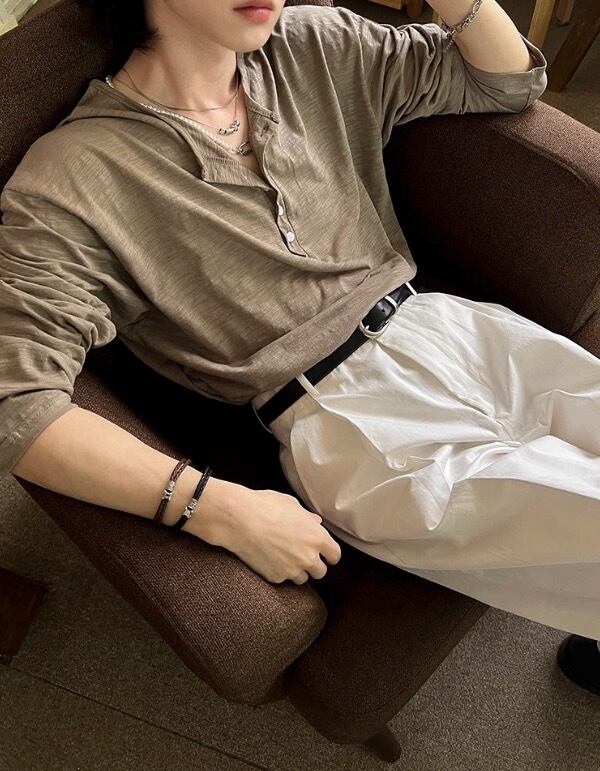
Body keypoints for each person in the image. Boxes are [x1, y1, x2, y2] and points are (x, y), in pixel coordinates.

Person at [1, 0, 598, 697]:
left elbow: (505, 81)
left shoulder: (311, 45)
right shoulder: (74, 175)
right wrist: (213, 507)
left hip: (458, 329)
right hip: (351, 425)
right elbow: (18, 405)